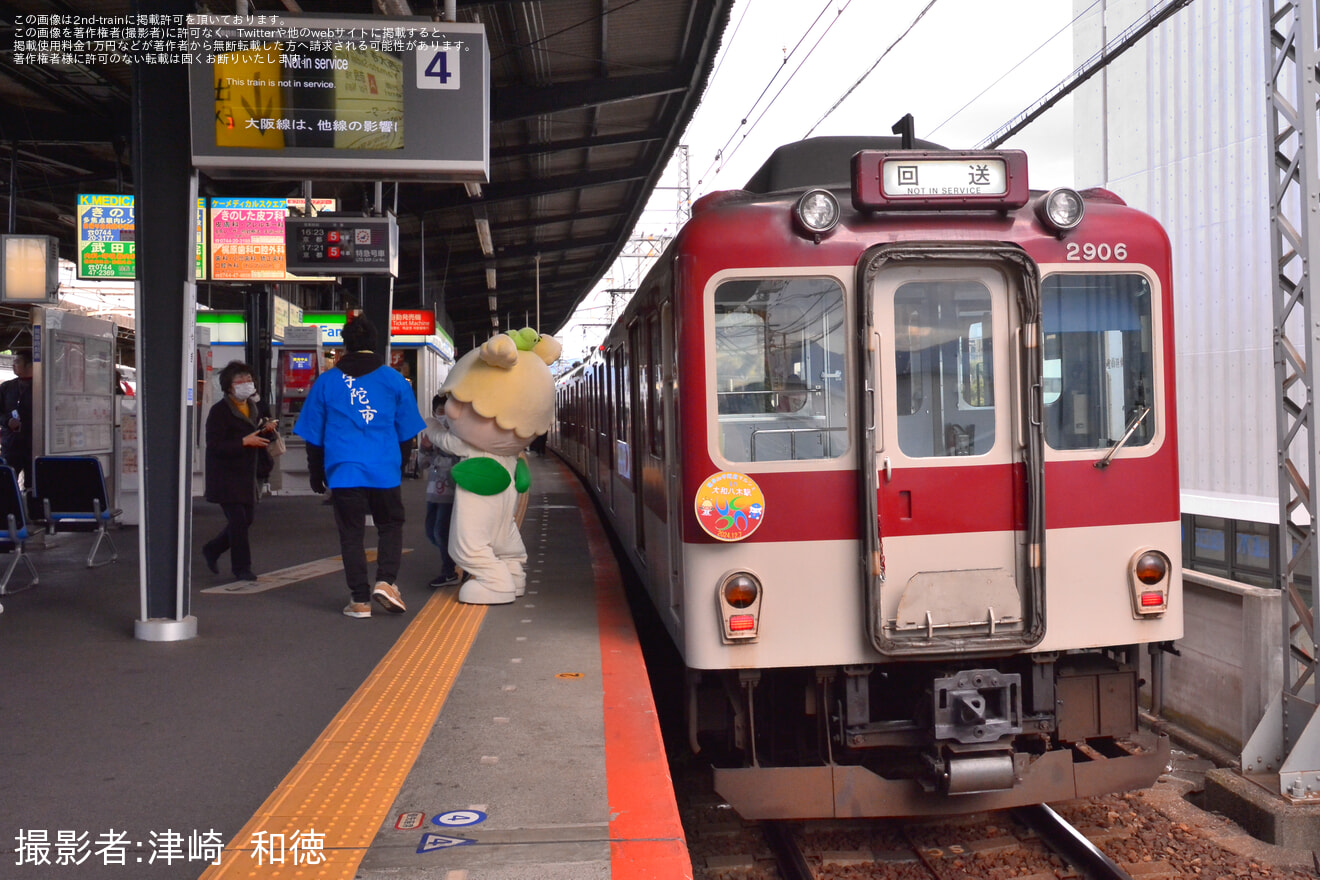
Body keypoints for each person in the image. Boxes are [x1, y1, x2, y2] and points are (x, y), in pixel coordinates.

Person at [293, 315, 426, 619]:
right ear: (374, 343)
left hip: (343, 470)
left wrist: (317, 473)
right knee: (390, 525)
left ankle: (359, 600)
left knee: (351, 534)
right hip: (384, 468)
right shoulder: (394, 380)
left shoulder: (326, 381)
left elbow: (315, 435)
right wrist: (399, 465)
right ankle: (386, 581)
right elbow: (406, 432)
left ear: (345, 345)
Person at [201, 361, 277, 581]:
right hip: (226, 476)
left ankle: (213, 549)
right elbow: (214, 445)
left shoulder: (255, 407)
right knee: (238, 522)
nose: (246, 384)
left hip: (248, 476)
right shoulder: (220, 411)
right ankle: (242, 568)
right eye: (240, 380)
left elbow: (260, 438)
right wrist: (244, 441)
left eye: (248, 379)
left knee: (247, 520)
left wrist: (267, 431)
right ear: (228, 386)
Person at [418, 393, 460, 588]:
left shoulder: (458, 433)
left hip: (451, 492)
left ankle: (449, 571)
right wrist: (425, 449)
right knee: (431, 532)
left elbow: (460, 458)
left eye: (446, 411)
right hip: (433, 491)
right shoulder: (432, 433)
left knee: (441, 531)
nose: (442, 416)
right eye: (439, 411)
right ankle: (455, 557)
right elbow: (421, 464)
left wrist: (441, 450)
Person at [0, 350, 34, 488]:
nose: (14, 364)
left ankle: (32, 508)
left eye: (17, 361)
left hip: (33, 445)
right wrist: (7, 421)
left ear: (30, 365)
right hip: (11, 445)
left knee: (33, 486)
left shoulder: (42, 387)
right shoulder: (6, 387)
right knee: (6, 483)